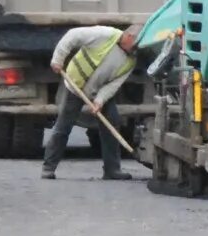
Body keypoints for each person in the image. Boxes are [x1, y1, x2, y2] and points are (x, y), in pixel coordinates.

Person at [45, 23, 140, 180]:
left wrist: (100, 101)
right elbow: (72, 35)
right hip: (76, 85)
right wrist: (58, 58)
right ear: (128, 37)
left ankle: (112, 169)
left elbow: (114, 84)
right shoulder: (105, 35)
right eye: (135, 44)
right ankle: (48, 168)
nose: (137, 48)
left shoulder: (131, 59)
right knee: (64, 126)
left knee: (112, 123)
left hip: (97, 91)